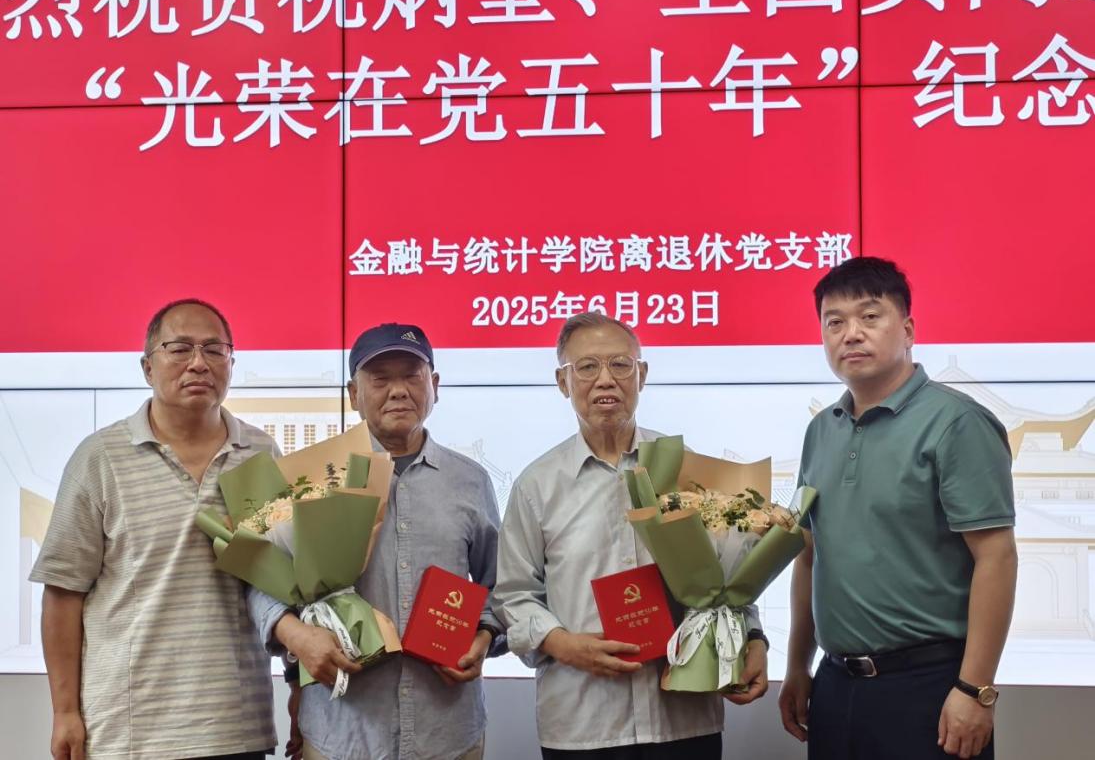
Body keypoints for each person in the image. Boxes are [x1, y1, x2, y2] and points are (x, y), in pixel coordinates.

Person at [494, 312, 769, 759]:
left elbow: (730, 572)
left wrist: (754, 636)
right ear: (563, 382)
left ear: (641, 375)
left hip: (683, 714)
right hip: (584, 721)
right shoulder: (536, 485)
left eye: (620, 364)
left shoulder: (685, 468)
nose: (605, 379)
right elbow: (513, 594)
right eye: (587, 367)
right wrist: (563, 644)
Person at [778, 257, 1018, 760]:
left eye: (870, 316)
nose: (851, 334)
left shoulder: (956, 423)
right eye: (834, 322)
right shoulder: (821, 430)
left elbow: (996, 556)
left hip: (930, 687)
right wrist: (798, 665)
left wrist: (975, 688)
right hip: (835, 684)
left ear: (907, 330)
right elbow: (809, 555)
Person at [30, 299, 277, 760]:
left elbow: (283, 586)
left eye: (214, 350)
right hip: (131, 731)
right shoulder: (100, 458)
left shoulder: (262, 454)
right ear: (147, 368)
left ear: (231, 363)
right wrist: (64, 711)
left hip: (236, 726)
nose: (199, 363)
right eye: (179, 349)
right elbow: (63, 593)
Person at [248, 323, 503, 760]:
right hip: (342, 731)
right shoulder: (310, 477)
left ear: (435, 386)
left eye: (412, 376)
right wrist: (297, 636)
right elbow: (258, 576)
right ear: (353, 394)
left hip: (448, 732)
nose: (398, 390)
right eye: (380, 378)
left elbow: (499, 585)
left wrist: (485, 636)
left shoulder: (471, 481)